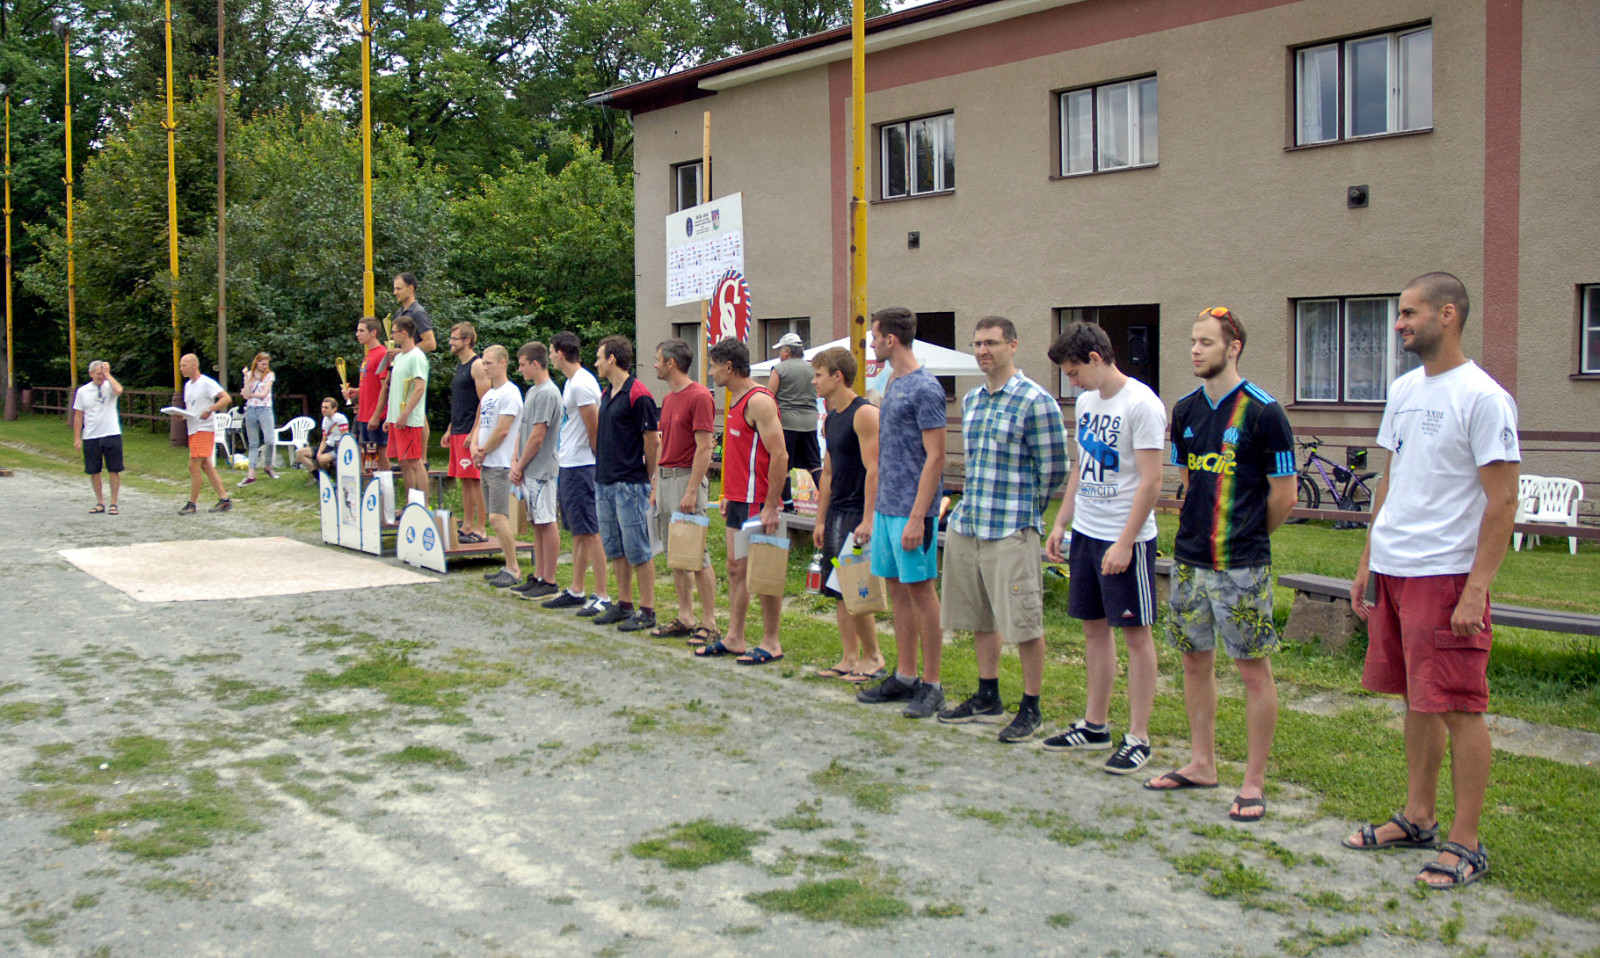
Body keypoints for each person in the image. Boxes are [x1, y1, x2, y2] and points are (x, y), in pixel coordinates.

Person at [1343, 273, 1520, 890]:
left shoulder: (1484, 398)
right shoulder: (1403, 390)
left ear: (1448, 315)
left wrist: (1475, 590)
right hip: (1396, 567)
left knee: (1458, 706)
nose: (1399, 324)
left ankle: (1466, 843)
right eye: (1399, 314)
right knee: (1417, 700)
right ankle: (1417, 818)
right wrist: (1369, 559)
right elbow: (1391, 479)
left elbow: (1503, 501)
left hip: (1446, 574)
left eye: (1409, 313)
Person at [1146, 307, 1296, 823]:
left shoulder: (1264, 412)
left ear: (1233, 348)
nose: (1195, 349)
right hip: (1189, 561)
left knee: (1252, 670)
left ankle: (1253, 781)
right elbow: (1189, 482)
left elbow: (1284, 495)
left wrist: (1247, 534)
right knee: (1194, 661)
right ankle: (1202, 762)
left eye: (1206, 342)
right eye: (1193, 341)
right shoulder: (1185, 409)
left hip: (1242, 565)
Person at [933, 317, 1070, 742]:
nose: (982, 350)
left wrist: (1028, 510)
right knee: (979, 616)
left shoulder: (1035, 400)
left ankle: (1031, 707)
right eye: (977, 343)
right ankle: (987, 696)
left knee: (1024, 621)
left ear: (1013, 345)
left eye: (991, 343)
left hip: (1011, 527)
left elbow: (1055, 468)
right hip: (970, 523)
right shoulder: (972, 399)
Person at [1042, 322, 1165, 773]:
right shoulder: (1088, 403)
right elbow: (1082, 465)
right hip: (1088, 533)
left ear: (1096, 358)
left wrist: (1126, 542)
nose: (1072, 382)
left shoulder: (1142, 404)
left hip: (1125, 537)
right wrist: (1062, 521)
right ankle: (1095, 725)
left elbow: (1152, 480)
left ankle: (1139, 736)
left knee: (1135, 636)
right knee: (1093, 629)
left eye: (1074, 372)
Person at [856, 307, 948, 718]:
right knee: (896, 590)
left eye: (874, 337)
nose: (872, 345)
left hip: (913, 511)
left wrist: (917, 515)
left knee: (922, 592)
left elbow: (936, 456)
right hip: (887, 507)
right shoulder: (891, 381)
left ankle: (933, 684)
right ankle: (906, 675)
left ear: (891, 339)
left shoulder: (925, 387)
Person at [696, 337, 788, 665]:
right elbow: (738, 456)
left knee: (763, 572)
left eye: (713, 366)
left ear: (729, 366)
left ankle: (771, 642)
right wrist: (726, 494)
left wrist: (771, 505)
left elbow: (780, 455)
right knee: (735, 569)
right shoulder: (735, 399)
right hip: (737, 500)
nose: (711, 373)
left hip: (757, 501)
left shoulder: (758, 400)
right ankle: (735, 637)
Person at [809, 346, 885, 682]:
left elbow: (875, 469)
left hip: (857, 512)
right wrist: (820, 519)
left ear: (837, 377)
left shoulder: (864, 413)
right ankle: (849, 656)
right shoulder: (831, 416)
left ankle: (874, 657)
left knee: (857, 587)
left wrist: (868, 519)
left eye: (818, 375)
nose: (814, 381)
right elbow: (827, 472)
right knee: (838, 587)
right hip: (837, 511)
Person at [650, 338, 720, 645]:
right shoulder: (668, 399)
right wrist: (656, 483)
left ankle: (710, 622)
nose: (654, 365)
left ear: (671, 363)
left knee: (696, 554)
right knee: (676, 554)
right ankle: (685, 616)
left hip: (685, 479)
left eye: (658, 359)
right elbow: (663, 442)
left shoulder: (699, 396)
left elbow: (704, 447)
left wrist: (691, 491)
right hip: (667, 479)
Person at [590, 336, 662, 633]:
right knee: (615, 548)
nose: (596, 362)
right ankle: (624, 604)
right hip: (605, 481)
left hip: (629, 484)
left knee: (638, 549)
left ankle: (647, 609)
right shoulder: (607, 393)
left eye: (599, 357)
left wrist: (648, 477)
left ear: (612, 359)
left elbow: (652, 441)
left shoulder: (639, 394)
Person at [542, 332, 611, 616]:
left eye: (551, 352)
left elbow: (593, 428)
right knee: (579, 531)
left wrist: (598, 463)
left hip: (583, 465)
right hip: (570, 464)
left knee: (591, 531)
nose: (550, 357)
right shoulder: (571, 383)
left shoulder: (582, 384)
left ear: (560, 353)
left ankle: (603, 594)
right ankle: (576, 589)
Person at [509, 342, 563, 599]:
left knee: (546, 521)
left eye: (522, 364)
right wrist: (515, 460)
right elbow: (523, 429)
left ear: (534, 363)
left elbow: (538, 436)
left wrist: (520, 464)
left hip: (542, 469)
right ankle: (539, 574)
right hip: (528, 468)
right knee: (536, 523)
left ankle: (549, 579)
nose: (520, 369)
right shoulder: (532, 392)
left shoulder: (548, 393)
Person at [470, 345, 525, 588]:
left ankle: (514, 568)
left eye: (489, 363)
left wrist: (483, 450)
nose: (485, 367)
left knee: (497, 517)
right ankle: (507, 564)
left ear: (503, 363)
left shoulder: (510, 393)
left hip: (501, 463)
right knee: (494, 518)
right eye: (483, 363)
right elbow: (480, 424)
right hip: (487, 463)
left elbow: (503, 430)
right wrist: (474, 446)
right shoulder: (489, 395)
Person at [442, 322, 490, 544]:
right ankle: (467, 524)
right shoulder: (460, 366)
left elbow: (485, 401)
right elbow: (460, 401)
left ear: (467, 340)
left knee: (475, 479)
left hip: (471, 430)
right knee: (464, 479)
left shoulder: (477, 365)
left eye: (455, 338)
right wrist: (450, 429)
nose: (450, 342)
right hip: (458, 429)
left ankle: (481, 528)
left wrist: (475, 431)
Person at [768, 332, 821, 511]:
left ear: (787, 351)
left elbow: (769, 396)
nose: (779, 354)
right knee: (814, 465)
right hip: (810, 423)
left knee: (784, 466)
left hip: (786, 423)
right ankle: (829, 502)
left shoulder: (779, 369)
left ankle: (789, 506)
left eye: (781, 350)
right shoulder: (813, 368)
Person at [177, 353, 233, 515]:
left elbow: (226, 398)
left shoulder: (206, 382)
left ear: (194, 365)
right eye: (180, 366)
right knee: (206, 466)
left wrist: (210, 409)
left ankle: (192, 503)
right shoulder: (188, 385)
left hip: (204, 428)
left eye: (184, 365)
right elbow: (192, 408)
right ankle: (224, 499)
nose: (181, 369)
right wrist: (183, 415)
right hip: (193, 428)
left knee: (193, 465)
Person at [384, 316, 430, 497]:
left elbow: (419, 388)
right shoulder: (400, 357)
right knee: (403, 462)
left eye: (394, 332)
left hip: (409, 419)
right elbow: (395, 390)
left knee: (414, 461)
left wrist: (404, 414)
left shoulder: (417, 357)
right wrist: (390, 417)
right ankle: (411, 502)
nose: (392, 336)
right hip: (397, 418)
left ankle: (424, 504)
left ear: (404, 333)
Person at [73, 360, 125, 514]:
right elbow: (78, 415)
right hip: (91, 435)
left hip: (111, 433)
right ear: (91, 374)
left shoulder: (110, 386)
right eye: (98, 374)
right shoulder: (83, 391)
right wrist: (77, 438)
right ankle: (100, 502)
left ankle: (114, 503)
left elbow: (119, 390)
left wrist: (108, 375)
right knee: (94, 470)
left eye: (103, 373)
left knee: (114, 469)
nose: (101, 377)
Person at [342, 316, 390, 474]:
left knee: (381, 455)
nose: (357, 334)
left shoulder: (382, 354)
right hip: (364, 414)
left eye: (361, 330)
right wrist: (357, 391)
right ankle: (372, 486)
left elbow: (385, 387)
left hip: (376, 415)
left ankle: (385, 487)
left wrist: (377, 415)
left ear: (373, 332)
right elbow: (371, 384)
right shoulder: (369, 354)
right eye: (357, 330)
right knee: (369, 459)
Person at [238, 352, 278, 486]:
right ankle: (251, 474)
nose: (265, 366)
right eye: (263, 364)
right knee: (253, 443)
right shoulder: (250, 375)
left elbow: (263, 394)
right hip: (251, 409)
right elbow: (245, 395)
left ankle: (268, 465)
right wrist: (245, 378)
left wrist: (249, 394)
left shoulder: (269, 375)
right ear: (257, 362)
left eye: (267, 364)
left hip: (265, 409)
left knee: (270, 441)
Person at [295, 397, 350, 476]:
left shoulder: (340, 418)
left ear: (334, 409)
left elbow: (345, 437)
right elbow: (324, 440)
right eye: (322, 407)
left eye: (326, 407)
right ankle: (317, 475)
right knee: (300, 452)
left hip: (337, 448)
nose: (323, 409)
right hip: (328, 446)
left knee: (322, 459)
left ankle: (328, 476)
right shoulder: (325, 419)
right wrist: (319, 453)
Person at [392, 272, 437, 353]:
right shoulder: (399, 312)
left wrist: (402, 352)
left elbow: (430, 343)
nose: (395, 293)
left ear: (410, 289)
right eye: (394, 289)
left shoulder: (418, 312)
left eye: (398, 289)